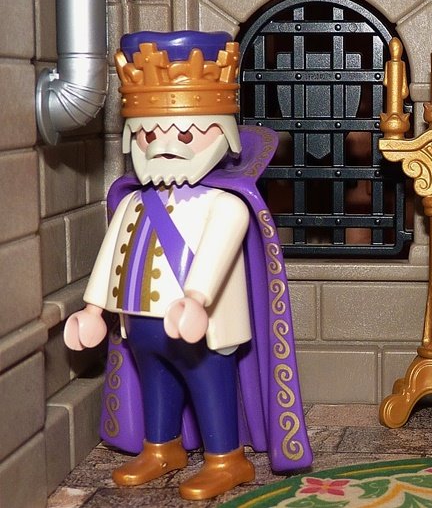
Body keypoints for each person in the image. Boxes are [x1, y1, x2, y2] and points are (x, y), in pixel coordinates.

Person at [63, 30, 312, 500]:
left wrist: (197, 299)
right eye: (149, 133)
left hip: (202, 326)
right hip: (139, 323)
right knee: (156, 386)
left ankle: (227, 459)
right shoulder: (132, 201)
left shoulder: (227, 204)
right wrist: (94, 311)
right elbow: (112, 257)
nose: (164, 144)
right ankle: (162, 448)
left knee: (210, 387)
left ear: (222, 134)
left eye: (184, 133)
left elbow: (216, 256)